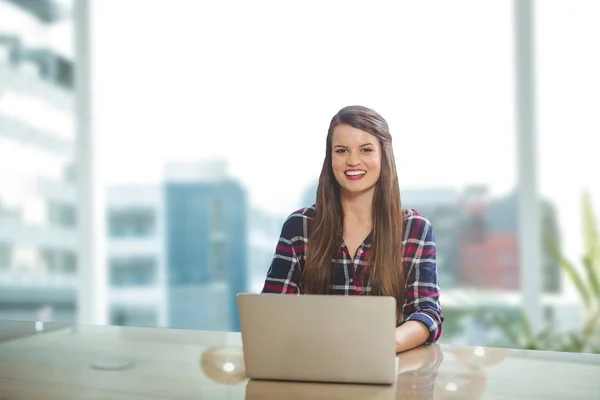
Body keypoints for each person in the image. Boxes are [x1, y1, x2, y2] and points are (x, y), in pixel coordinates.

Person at [261, 105, 443, 353]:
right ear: (330, 157)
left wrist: (385, 343)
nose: (353, 161)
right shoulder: (300, 226)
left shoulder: (415, 229)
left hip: (388, 366)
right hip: (312, 362)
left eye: (366, 150)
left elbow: (427, 313)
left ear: (384, 155)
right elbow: (272, 310)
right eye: (341, 150)